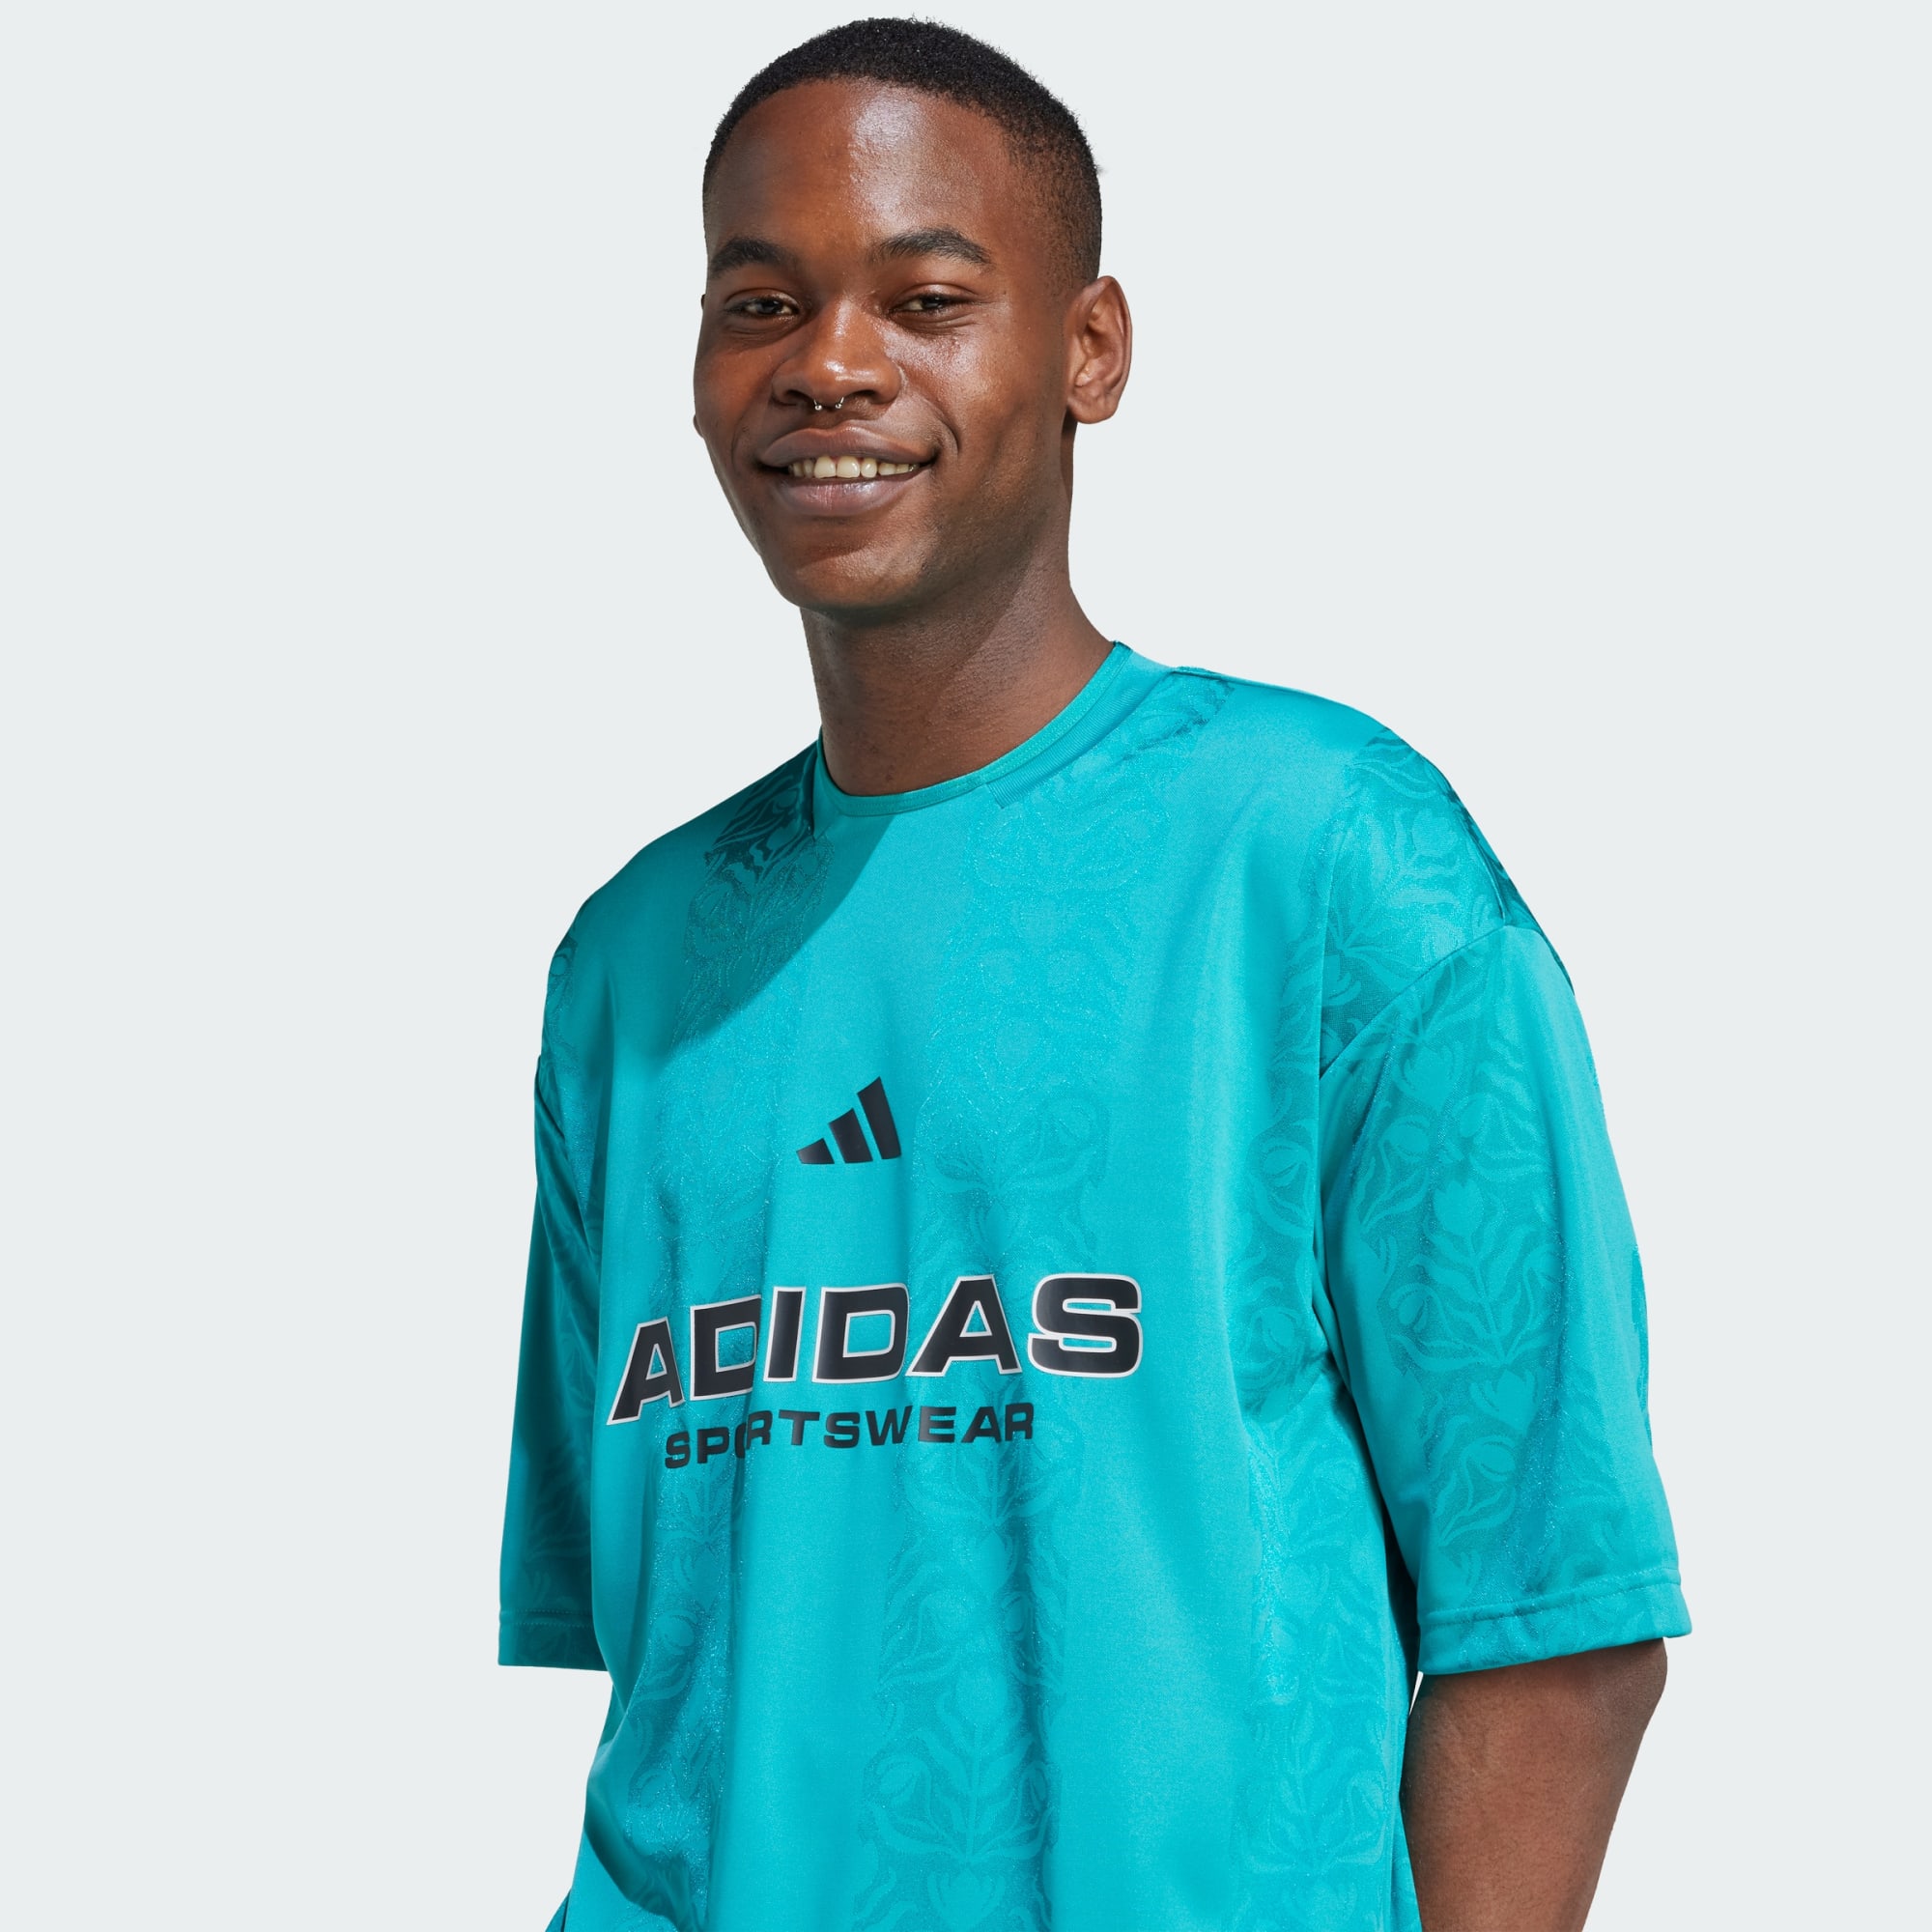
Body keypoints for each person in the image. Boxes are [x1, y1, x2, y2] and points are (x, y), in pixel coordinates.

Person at [497, 19, 1689, 1931]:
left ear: (1091, 349)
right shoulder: (631, 966)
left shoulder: (1332, 859)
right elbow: (669, 1672)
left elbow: (1553, 1623)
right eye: (759, 301)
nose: (828, 363)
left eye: (926, 297)